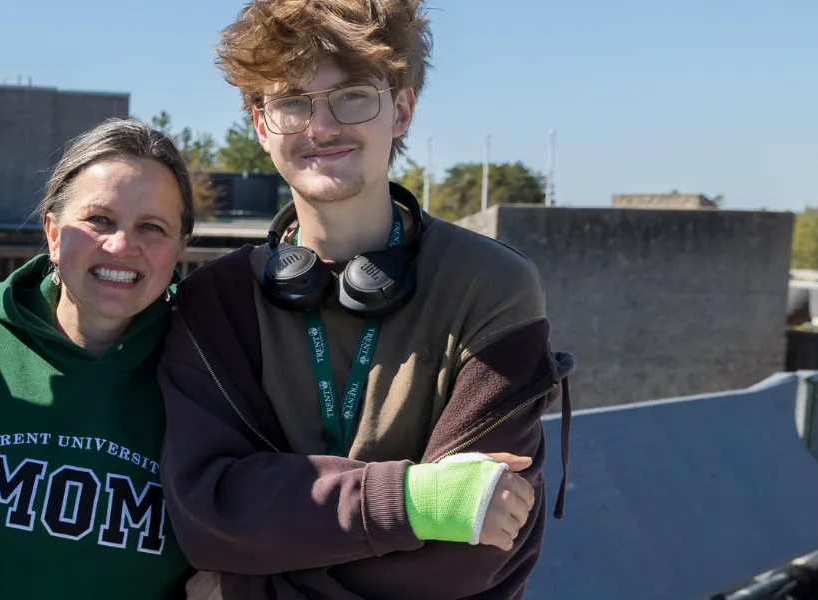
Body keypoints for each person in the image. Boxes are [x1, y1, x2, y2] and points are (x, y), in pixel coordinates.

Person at [158, 1, 575, 598]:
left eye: (352, 95)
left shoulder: (491, 286)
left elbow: (474, 552)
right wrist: (421, 503)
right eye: (292, 102)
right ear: (260, 124)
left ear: (402, 109)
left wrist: (246, 589)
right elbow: (212, 516)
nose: (321, 127)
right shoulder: (213, 302)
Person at [0, 119, 197, 598]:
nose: (121, 245)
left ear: (179, 248)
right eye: (99, 220)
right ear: (53, 233)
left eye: (152, 227)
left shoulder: (207, 370)